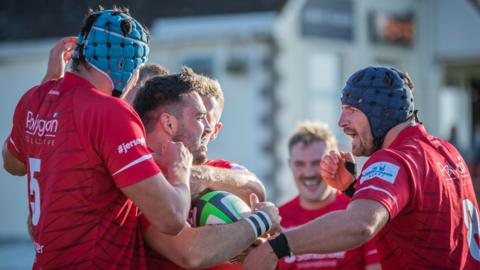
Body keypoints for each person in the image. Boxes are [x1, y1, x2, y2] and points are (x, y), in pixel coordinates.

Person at [2, 7, 193, 269]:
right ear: (124, 67)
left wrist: (48, 84)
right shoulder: (111, 113)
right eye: (137, 70)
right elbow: (171, 218)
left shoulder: (34, 98)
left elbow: (13, 163)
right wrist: (180, 172)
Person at [243, 66, 480, 269]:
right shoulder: (447, 151)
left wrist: (275, 247)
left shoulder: (394, 158)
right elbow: (416, 220)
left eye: (352, 110)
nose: (341, 122)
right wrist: (353, 189)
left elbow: (360, 225)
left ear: (382, 113)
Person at [132, 68, 280, 269]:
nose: (207, 127)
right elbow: (191, 253)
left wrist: (203, 177)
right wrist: (260, 222)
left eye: (209, 117)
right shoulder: (144, 174)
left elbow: (256, 189)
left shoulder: (215, 168)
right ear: (168, 123)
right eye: (200, 117)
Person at [278, 121, 380, 270]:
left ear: (336, 160)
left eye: (317, 163)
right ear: (290, 165)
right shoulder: (277, 220)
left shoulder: (360, 211)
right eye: (300, 164)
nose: (309, 173)